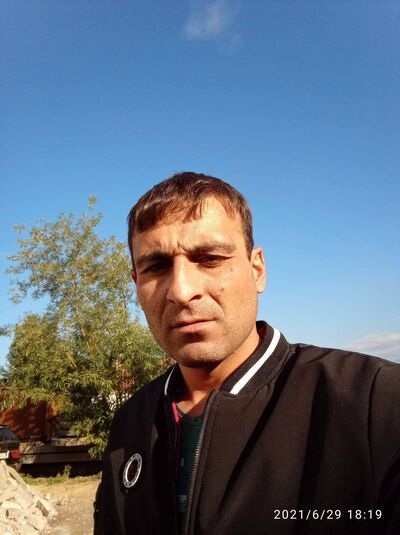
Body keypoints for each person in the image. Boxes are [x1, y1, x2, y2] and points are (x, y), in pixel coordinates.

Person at [94, 172, 400, 535]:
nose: (181, 291)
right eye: (156, 267)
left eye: (209, 258)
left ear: (257, 270)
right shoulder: (131, 421)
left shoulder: (375, 403)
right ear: (136, 284)